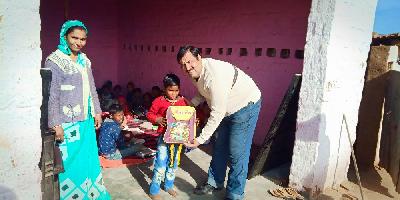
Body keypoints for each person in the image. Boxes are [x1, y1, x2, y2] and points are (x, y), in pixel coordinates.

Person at [178, 45, 262, 200]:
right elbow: (204, 90)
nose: (187, 67)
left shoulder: (214, 75)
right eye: (183, 65)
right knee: (219, 145)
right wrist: (192, 104)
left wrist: (200, 139)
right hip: (223, 107)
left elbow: (217, 112)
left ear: (199, 58)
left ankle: (235, 194)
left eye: (190, 62)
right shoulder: (194, 73)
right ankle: (214, 182)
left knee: (237, 152)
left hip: (244, 105)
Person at [46, 20, 110, 199]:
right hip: (67, 123)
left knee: (89, 160)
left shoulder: (84, 60)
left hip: (86, 120)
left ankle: (93, 194)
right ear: (64, 36)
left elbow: (92, 87)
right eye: (74, 37)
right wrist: (55, 123)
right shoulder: (55, 60)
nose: (78, 42)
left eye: (83, 39)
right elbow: (53, 95)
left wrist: (97, 111)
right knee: (71, 163)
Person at [146, 74, 189, 200]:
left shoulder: (182, 101)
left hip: (177, 139)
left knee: (174, 163)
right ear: (164, 89)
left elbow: (187, 115)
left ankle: (168, 185)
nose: (174, 93)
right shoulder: (159, 101)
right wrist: (157, 119)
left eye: (176, 90)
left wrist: (193, 121)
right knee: (160, 164)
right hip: (164, 139)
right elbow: (149, 114)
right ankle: (153, 191)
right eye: (171, 90)